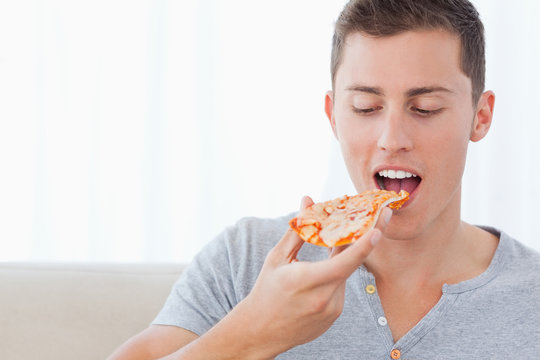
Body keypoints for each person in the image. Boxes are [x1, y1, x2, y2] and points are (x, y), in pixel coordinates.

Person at [108, 0, 540, 358]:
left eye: (425, 107)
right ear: (334, 116)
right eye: (366, 108)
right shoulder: (246, 261)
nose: (392, 139)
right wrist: (252, 333)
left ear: (480, 117)